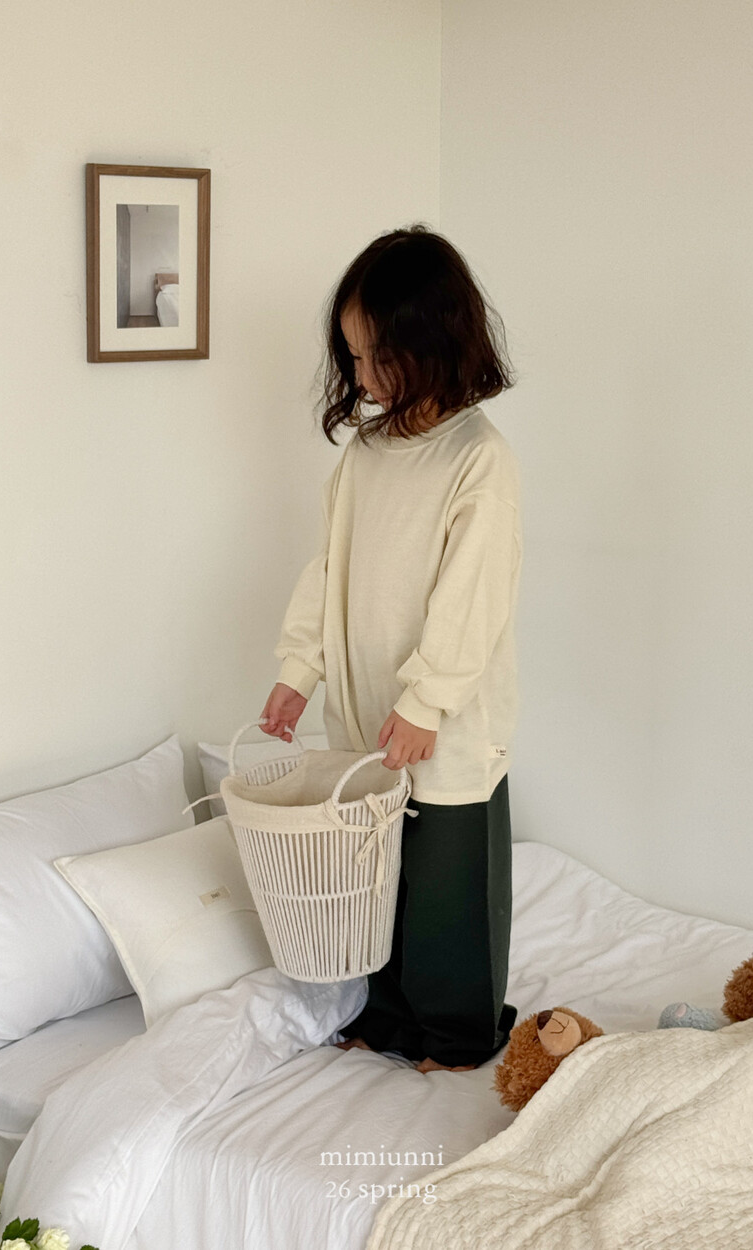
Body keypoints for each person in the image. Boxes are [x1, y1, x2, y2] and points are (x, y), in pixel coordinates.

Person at [259, 224, 522, 1074]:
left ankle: (459, 1032)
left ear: (435, 344)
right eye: (354, 357)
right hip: (365, 714)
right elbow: (328, 567)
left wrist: (427, 701)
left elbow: (471, 597)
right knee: (376, 876)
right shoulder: (367, 455)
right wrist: (300, 671)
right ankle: (387, 1014)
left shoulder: (477, 459)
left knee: (450, 882)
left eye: (379, 357)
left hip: (444, 721)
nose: (364, 376)